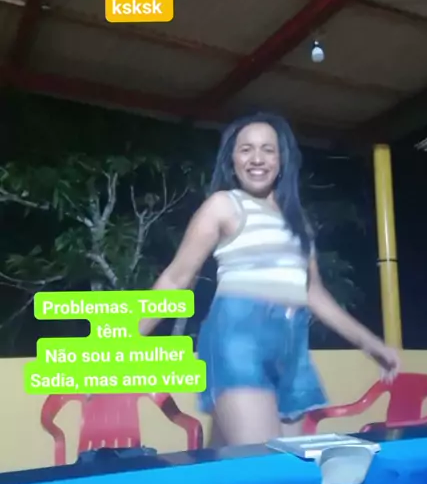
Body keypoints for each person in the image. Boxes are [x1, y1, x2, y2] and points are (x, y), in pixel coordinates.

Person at [140, 112, 400, 447]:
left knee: (272, 462)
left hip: (291, 349)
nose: (257, 158)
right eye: (246, 149)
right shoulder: (223, 205)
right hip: (237, 342)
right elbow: (176, 279)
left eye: (268, 149)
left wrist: (371, 344)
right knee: (267, 464)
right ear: (232, 160)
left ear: (282, 160)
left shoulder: (298, 221)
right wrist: (113, 346)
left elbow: (315, 294)